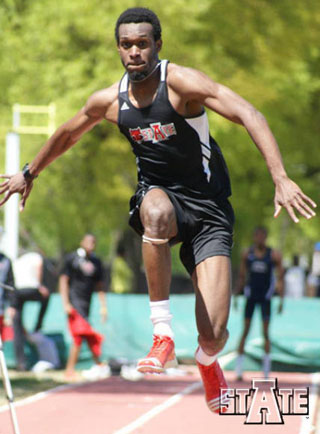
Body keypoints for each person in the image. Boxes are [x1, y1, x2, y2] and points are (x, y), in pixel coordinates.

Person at [0, 7, 316, 412]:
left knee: (215, 332)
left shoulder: (182, 84)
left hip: (209, 210)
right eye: (127, 45)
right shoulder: (110, 102)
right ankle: (162, 333)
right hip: (160, 196)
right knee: (155, 210)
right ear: (119, 49)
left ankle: (206, 362)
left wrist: (280, 176)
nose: (135, 52)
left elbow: (249, 114)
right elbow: (68, 133)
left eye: (143, 44)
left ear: (157, 45)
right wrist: (30, 172)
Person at [234, 226, 284, 380]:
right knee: (245, 331)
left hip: (265, 298)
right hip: (251, 297)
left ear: (266, 237)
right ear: (254, 237)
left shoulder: (273, 255)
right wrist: (236, 294)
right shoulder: (247, 254)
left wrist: (281, 298)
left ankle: (266, 371)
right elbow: (242, 275)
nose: (260, 239)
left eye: (263, 236)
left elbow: (280, 277)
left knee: (266, 333)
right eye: (257, 236)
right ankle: (239, 370)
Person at [59, 233, 109, 380]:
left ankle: (99, 364)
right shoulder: (72, 258)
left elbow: (99, 286)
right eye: (88, 241)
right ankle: (70, 370)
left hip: (87, 303)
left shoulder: (96, 262)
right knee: (79, 336)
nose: (91, 244)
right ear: (82, 242)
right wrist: (66, 303)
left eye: (93, 242)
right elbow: (63, 281)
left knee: (86, 336)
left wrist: (103, 306)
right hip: (74, 302)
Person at [10, 251, 50, 370]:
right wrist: (40, 285)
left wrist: (11, 304)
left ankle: (21, 362)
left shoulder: (18, 260)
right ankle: (38, 326)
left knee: (16, 327)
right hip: (31, 288)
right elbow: (39, 270)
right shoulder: (37, 257)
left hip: (17, 292)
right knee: (46, 297)